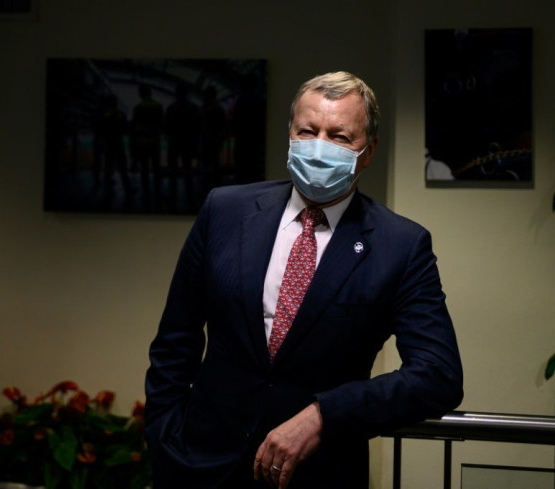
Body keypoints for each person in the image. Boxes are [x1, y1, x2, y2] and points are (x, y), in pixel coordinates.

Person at [145, 71, 463, 489]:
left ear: (368, 152)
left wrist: (325, 413)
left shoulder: (400, 246)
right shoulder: (225, 211)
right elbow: (176, 339)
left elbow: (438, 374)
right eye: (307, 131)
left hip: (318, 473)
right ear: (289, 136)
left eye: (340, 137)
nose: (319, 147)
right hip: (202, 465)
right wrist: (164, 439)